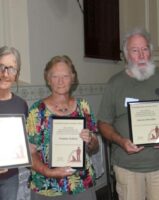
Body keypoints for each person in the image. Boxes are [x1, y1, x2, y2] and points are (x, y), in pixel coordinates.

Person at [97, 28, 159, 200]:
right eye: (135, 50)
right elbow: (103, 123)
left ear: (150, 52)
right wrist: (120, 141)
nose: (141, 55)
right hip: (127, 166)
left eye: (145, 49)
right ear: (126, 55)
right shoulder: (115, 83)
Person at [26, 55, 99, 199]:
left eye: (65, 76)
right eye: (55, 76)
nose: (60, 81)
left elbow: (95, 147)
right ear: (48, 79)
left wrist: (90, 140)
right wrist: (49, 172)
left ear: (73, 78)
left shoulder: (83, 106)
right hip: (47, 187)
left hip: (81, 185)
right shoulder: (37, 110)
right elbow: (30, 152)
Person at [0, 46, 28, 200]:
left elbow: (23, 142)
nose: (5, 74)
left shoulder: (21, 105)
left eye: (11, 69)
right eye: (1, 67)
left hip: (10, 179)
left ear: (17, 75)